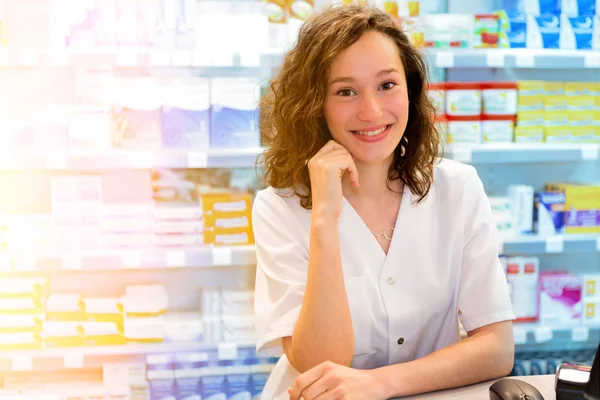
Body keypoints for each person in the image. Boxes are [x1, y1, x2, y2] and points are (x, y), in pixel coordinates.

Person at [252, 5, 516, 400]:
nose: (371, 111)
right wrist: (324, 216)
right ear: (313, 104)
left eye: (387, 85)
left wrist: (380, 383)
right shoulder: (279, 208)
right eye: (345, 91)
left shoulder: (458, 188)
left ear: (410, 88)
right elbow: (319, 360)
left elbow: (497, 347)